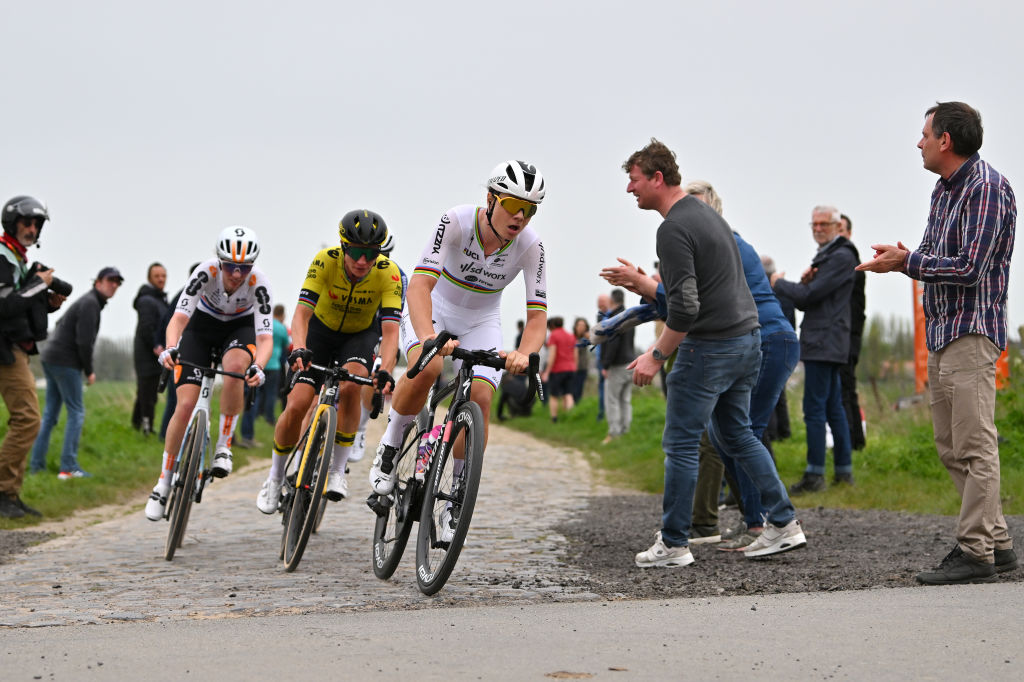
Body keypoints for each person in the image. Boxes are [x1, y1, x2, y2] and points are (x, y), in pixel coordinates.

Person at [622, 138, 804, 568]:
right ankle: (783, 523)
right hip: (748, 341)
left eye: (634, 181)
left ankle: (674, 543)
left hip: (711, 348)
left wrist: (657, 354)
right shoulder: (710, 217)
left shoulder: (672, 228)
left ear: (656, 178)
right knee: (735, 433)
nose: (630, 190)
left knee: (682, 442)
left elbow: (685, 306)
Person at [857, 101, 1018, 585]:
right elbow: (933, 254)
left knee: (975, 444)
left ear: (945, 139)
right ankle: (1000, 544)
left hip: (972, 331)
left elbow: (970, 267)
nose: (919, 142)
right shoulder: (943, 191)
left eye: (925, 134)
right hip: (945, 332)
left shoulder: (986, 188)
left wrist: (905, 263)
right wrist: (905, 256)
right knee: (950, 447)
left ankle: (976, 553)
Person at [368, 159, 548, 540]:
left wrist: (523, 353)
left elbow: (536, 319)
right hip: (435, 306)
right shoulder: (457, 221)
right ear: (490, 199)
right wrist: (429, 334)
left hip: (483, 321)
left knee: (481, 396)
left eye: (529, 210)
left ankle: (456, 500)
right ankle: (390, 445)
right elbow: (418, 287)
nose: (520, 217)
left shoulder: (531, 246)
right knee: (428, 368)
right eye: (513, 205)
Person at [256, 210, 402, 513]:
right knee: (297, 405)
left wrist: (386, 368)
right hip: (320, 333)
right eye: (356, 252)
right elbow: (301, 314)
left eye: (371, 253)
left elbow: (390, 332)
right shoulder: (325, 260)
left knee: (350, 387)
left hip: (359, 336)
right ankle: (274, 477)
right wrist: (298, 348)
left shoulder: (388, 273)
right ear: (343, 246)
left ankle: (336, 471)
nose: (363, 261)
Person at [144, 228, 273, 521]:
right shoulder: (205, 273)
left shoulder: (259, 284)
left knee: (236, 368)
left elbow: (265, 339)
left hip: (238, 330)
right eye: (230, 266)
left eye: (244, 267)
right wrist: (171, 348)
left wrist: (260, 367)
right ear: (219, 262)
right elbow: (178, 318)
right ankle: (163, 483)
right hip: (200, 329)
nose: (237, 274)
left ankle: (224, 446)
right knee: (185, 405)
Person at [770, 205, 858, 492]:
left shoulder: (840, 256)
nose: (818, 229)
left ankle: (814, 475)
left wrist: (778, 283)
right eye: (815, 224)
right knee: (833, 407)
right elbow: (814, 293)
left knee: (814, 409)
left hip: (824, 341)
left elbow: (808, 297)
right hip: (828, 340)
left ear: (837, 226)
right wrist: (806, 283)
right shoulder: (831, 256)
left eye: (824, 224)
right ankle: (843, 472)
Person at [0, 196, 67, 518]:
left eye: (36, 224)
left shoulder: (18, 257)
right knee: (28, 420)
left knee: (24, 420)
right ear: (12, 224)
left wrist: (48, 301)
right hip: (4, 350)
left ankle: (10, 495)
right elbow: (4, 306)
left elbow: (19, 306)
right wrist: (39, 285)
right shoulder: (2, 256)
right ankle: (3, 493)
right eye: (26, 222)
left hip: (15, 348)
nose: (31, 228)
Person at [29, 267, 123, 478]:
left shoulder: (89, 302)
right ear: (98, 282)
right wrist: (89, 371)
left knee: (50, 415)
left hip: (51, 358)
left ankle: (36, 467)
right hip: (65, 361)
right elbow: (84, 342)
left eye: (118, 282)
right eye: (110, 280)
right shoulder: (90, 304)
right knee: (76, 413)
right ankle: (68, 467)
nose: (114, 285)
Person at [349, 233, 407, 464]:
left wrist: (384, 356)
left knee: (373, 371)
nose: (370, 260)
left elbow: (393, 322)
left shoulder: (397, 276)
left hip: (379, 329)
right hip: (350, 324)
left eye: (381, 255)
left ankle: (359, 430)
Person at [156, 263, 200, 440]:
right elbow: (168, 320)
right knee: (177, 398)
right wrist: (164, 345)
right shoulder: (185, 296)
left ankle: (180, 435)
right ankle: (166, 435)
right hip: (180, 352)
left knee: (185, 398)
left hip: (192, 351)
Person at [238, 303, 290, 448]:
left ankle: (252, 421)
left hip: (257, 362)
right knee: (271, 394)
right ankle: (269, 418)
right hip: (273, 365)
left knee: (253, 396)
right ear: (283, 314)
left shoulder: (264, 323)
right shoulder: (281, 328)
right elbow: (287, 344)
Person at [837, 214, 866, 450]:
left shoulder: (848, 260)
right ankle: (855, 440)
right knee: (846, 389)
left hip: (847, 336)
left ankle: (851, 441)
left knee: (845, 389)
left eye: (841, 229)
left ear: (849, 232)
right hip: (848, 334)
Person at [131, 263, 169, 435]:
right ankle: (147, 428)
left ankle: (136, 424)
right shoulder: (147, 300)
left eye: (163, 276)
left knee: (145, 392)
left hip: (155, 354)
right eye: (157, 276)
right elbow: (147, 328)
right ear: (149, 278)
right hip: (147, 354)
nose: (161, 279)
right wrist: (156, 346)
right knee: (148, 394)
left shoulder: (161, 299)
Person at [600, 288, 634, 444]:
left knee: (612, 400)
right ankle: (625, 430)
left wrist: (605, 365)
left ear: (612, 301)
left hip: (617, 365)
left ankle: (614, 433)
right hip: (630, 362)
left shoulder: (614, 318)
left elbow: (613, 344)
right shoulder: (630, 316)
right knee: (625, 400)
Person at [541, 316, 576, 422]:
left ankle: (554, 418)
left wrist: (547, 371)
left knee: (554, 395)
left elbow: (552, 355)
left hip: (557, 370)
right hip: (570, 368)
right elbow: (575, 354)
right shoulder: (571, 336)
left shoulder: (553, 336)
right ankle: (570, 418)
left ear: (551, 326)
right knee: (568, 394)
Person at [594, 293, 611, 420]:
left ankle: (606, 415)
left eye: (603, 302)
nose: (601, 305)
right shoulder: (599, 316)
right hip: (600, 358)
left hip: (607, 359)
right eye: (599, 303)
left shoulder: (610, 317)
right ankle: (602, 413)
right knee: (601, 387)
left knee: (608, 388)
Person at [571, 316, 591, 403]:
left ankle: (577, 408)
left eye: (583, 325)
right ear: (575, 326)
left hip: (583, 367)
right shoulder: (571, 337)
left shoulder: (586, 337)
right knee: (572, 390)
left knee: (579, 389)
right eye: (579, 325)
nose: (581, 327)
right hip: (572, 367)